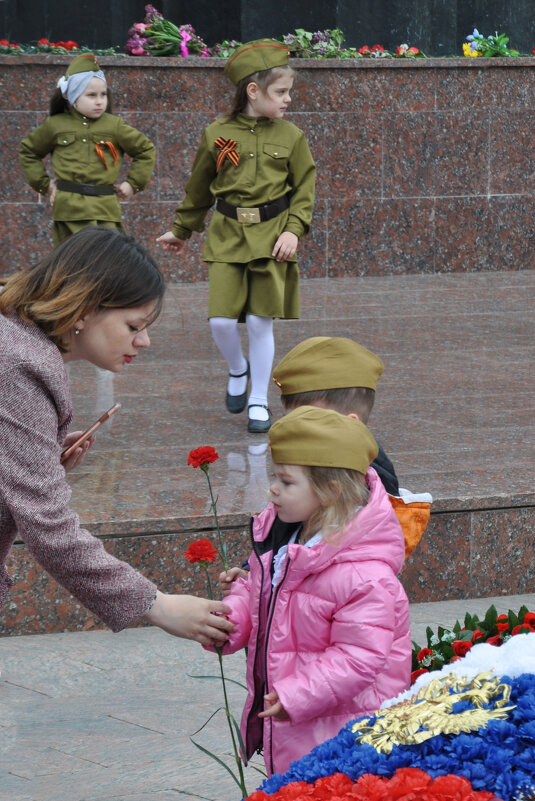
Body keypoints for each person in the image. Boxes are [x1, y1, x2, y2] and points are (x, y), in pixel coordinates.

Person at [0, 227, 231, 645]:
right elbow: (48, 527)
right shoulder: (19, 365)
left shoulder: (13, 340)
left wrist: (36, 452)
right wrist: (157, 605)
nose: (144, 340)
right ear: (85, 308)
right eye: (133, 325)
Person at [207, 405, 411, 776]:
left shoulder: (365, 575)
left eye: (286, 481)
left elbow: (359, 656)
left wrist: (297, 693)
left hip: (344, 737)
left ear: (329, 491)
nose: (273, 489)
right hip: (298, 726)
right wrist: (230, 620)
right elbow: (260, 591)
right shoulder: (289, 539)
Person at [157, 39, 316, 433]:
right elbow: (198, 188)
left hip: (272, 236)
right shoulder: (216, 134)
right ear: (253, 91)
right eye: (280, 92)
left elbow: (305, 188)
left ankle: (259, 400)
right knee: (221, 323)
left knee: (262, 322)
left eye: (288, 92)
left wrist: (294, 231)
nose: (288, 99)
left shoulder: (291, 136)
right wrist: (181, 231)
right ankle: (237, 368)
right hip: (227, 234)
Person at [220, 336, 432, 593]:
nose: (295, 427)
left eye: (308, 418)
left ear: (350, 422)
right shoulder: (309, 462)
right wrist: (252, 571)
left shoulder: (365, 484)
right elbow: (288, 531)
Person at [19, 53, 155, 247]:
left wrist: (133, 184)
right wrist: (45, 185)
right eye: (91, 95)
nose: (99, 101)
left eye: (103, 94)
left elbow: (145, 149)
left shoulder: (114, 125)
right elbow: (29, 151)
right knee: (72, 268)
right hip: (69, 211)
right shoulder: (55, 125)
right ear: (72, 97)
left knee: (109, 266)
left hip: (105, 210)